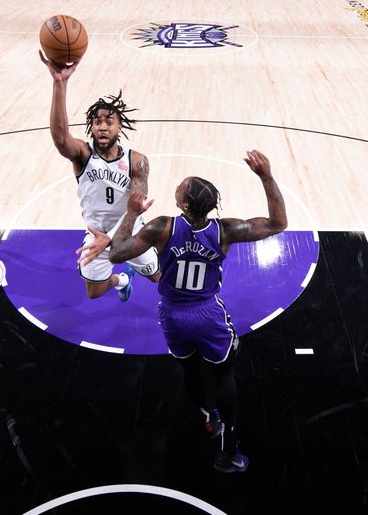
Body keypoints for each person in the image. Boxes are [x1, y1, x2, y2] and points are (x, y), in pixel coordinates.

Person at [103, 149, 288, 473]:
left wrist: (131, 213)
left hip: (173, 316)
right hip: (207, 315)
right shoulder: (225, 231)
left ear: (184, 205)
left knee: (189, 370)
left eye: (184, 187)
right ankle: (230, 450)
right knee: (224, 373)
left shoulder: (162, 228)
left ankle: (207, 416)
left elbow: (117, 253)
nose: (181, 184)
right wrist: (266, 176)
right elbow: (278, 223)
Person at [40, 53, 161, 302]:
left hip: (131, 232)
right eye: (97, 122)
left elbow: (135, 208)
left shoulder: (137, 160)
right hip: (97, 234)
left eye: (109, 122)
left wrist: (113, 239)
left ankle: (138, 270)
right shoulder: (83, 155)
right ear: (91, 128)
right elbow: (61, 138)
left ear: (119, 128)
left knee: (157, 276)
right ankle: (123, 280)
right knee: (94, 292)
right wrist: (59, 83)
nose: (103, 126)